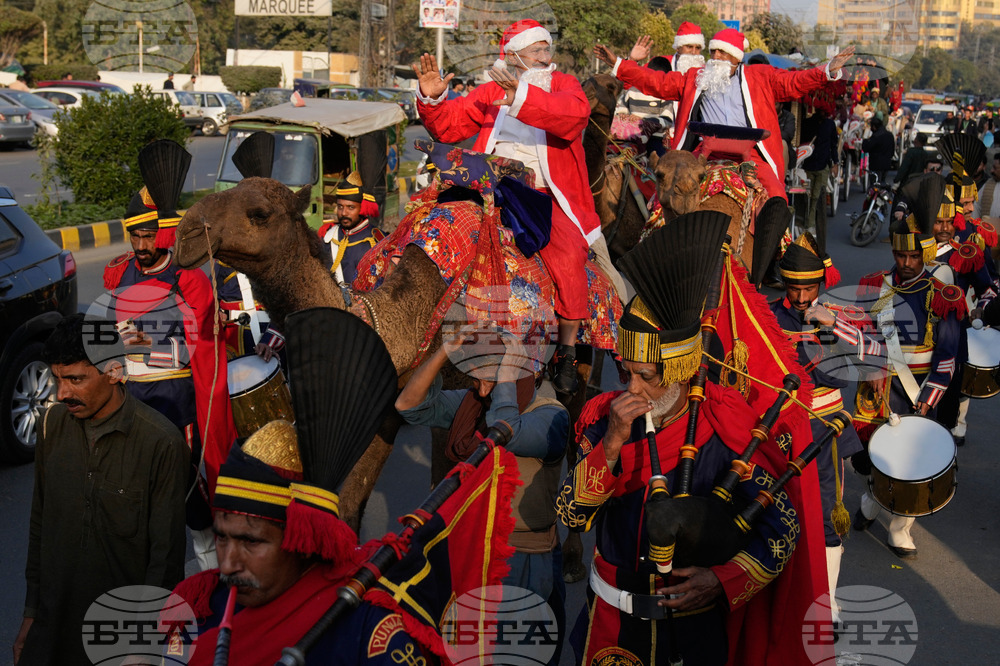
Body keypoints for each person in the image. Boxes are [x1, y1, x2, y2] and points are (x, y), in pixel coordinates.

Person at [558, 218, 825, 665]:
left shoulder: (723, 433)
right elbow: (571, 514)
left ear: (681, 372)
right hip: (611, 627)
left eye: (645, 377)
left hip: (694, 633)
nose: (630, 389)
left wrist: (721, 580)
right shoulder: (605, 420)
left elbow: (782, 527)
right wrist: (612, 445)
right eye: (625, 373)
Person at [168, 311, 431, 665]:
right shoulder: (201, 604)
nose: (227, 563)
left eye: (251, 542)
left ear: (303, 543)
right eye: (222, 538)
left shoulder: (363, 624)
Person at [414, 19, 603, 396]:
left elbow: (573, 116)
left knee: (569, 257)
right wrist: (432, 99)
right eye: (536, 51)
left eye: (547, 49)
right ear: (513, 56)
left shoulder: (563, 85)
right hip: (489, 187)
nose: (545, 57)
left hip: (545, 196)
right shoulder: (489, 90)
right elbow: (449, 127)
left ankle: (567, 350)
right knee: (429, 224)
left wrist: (521, 96)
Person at [13, 314, 187, 666]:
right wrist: (30, 613)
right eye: (57, 379)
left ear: (114, 372)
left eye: (75, 379)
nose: (62, 393)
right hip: (51, 628)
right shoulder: (51, 424)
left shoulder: (161, 443)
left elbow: (165, 561)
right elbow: (40, 525)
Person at [395, 326, 568, 664]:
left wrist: (506, 373)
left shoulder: (551, 416)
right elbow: (409, 405)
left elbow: (507, 432)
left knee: (519, 656)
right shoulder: (477, 404)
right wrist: (444, 352)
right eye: (476, 376)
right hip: (472, 548)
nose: (481, 387)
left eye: (491, 376)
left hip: (522, 559)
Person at [102, 141, 236, 567]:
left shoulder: (188, 280)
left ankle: (211, 573)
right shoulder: (119, 272)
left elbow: (197, 346)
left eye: (148, 236)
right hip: (130, 401)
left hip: (176, 402)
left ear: (163, 235)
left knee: (188, 497)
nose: (141, 245)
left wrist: (147, 344)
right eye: (135, 235)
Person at [594, 29, 855, 200]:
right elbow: (656, 81)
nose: (716, 57)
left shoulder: (760, 77)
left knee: (776, 197)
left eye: (722, 52)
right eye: (713, 51)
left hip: (753, 153)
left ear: (736, 57)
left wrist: (826, 70)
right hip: (705, 152)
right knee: (668, 193)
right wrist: (619, 64)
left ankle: (774, 257)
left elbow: (794, 82)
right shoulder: (696, 77)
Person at [852, 207, 963, 560]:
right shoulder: (874, 285)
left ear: (924, 254)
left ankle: (900, 528)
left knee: (912, 463)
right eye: (901, 255)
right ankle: (872, 498)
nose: (908, 263)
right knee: (868, 455)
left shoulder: (943, 294)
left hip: (920, 389)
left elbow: (947, 355)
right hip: (878, 384)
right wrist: (868, 365)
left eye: (915, 256)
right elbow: (859, 330)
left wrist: (929, 397)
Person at [770, 233, 866, 624]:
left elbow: (863, 356)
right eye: (794, 289)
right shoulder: (768, 315)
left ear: (820, 285)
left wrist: (832, 325)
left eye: (808, 289)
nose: (800, 297)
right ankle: (784, 598)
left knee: (827, 515)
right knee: (777, 511)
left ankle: (827, 602)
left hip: (824, 432)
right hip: (780, 432)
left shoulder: (834, 314)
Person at [318, 171, 384, 296]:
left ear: (362, 208)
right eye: (340, 207)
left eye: (350, 207)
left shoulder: (376, 240)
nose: (344, 213)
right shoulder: (328, 237)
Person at [800, 101, 840, 249]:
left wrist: (835, 163)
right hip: (808, 165)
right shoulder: (808, 123)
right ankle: (807, 222)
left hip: (823, 165)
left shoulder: (830, 125)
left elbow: (833, 145)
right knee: (807, 196)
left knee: (817, 196)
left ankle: (811, 224)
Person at [862, 116, 894, 185]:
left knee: (875, 184)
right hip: (886, 164)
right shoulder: (890, 135)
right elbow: (892, 151)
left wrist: (865, 140)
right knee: (882, 183)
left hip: (875, 165)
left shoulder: (876, 136)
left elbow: (866, 148)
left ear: (874, 127)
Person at [975, 153, 1000, 220]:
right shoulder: (989, 183)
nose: (991, 170)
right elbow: (976, 207)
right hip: (986, 225)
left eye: (995, 168)